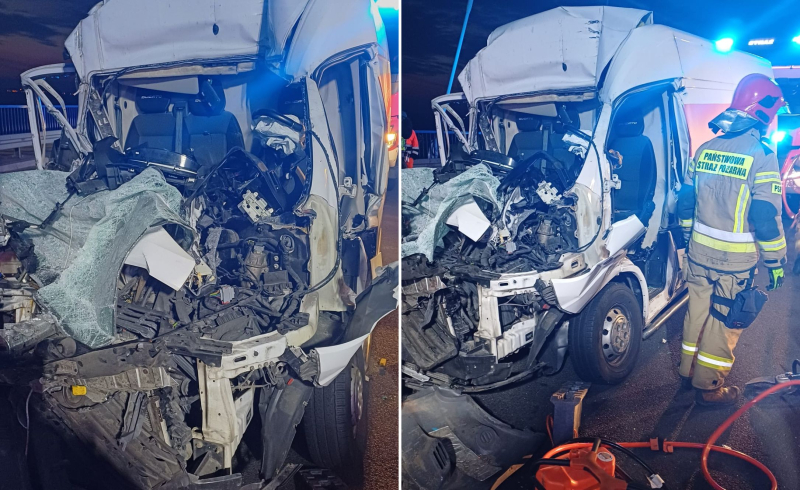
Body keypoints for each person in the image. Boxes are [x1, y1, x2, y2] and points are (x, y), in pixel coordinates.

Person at [677, 73, 787, 407]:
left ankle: (688, 370)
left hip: (698, 253)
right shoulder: (762, 154)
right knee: (724, 321)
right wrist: (775, 261)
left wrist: (688, 237)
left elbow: (685, 201)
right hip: (734, 262)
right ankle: (709, 386)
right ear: (764, 111)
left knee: (696, 310)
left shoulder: (705, 148)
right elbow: (765, 216)